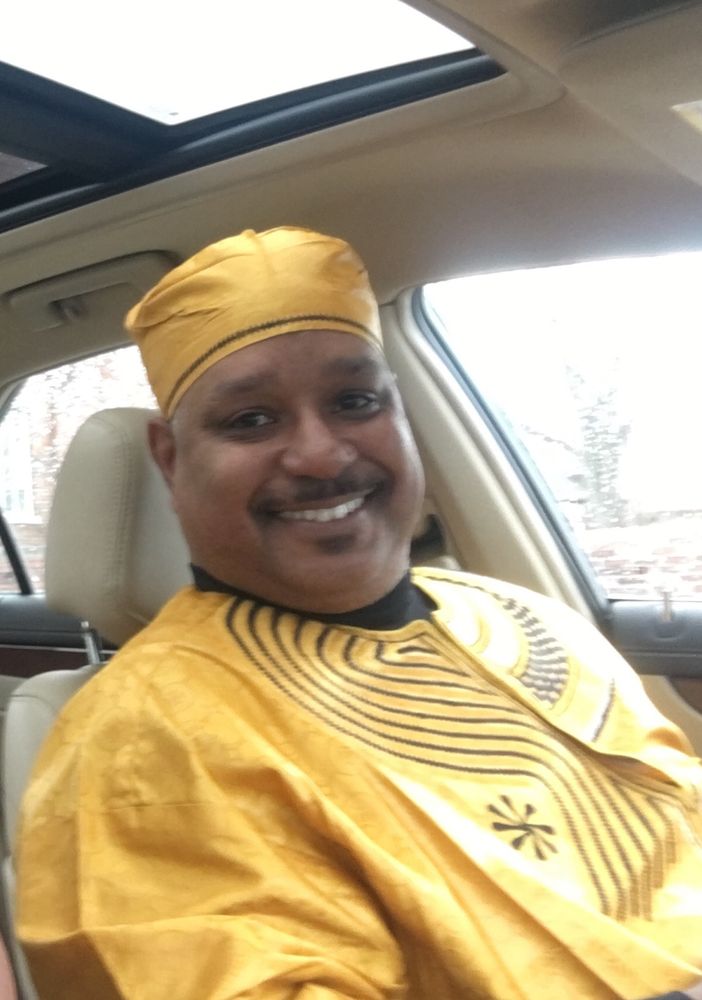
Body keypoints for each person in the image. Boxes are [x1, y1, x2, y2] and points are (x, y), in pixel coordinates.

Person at [16, 227, 702, 1000]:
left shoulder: (524, 618)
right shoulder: (142, 741)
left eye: (354, 402)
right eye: (251, 420)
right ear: (171, 460)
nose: (321, 455)